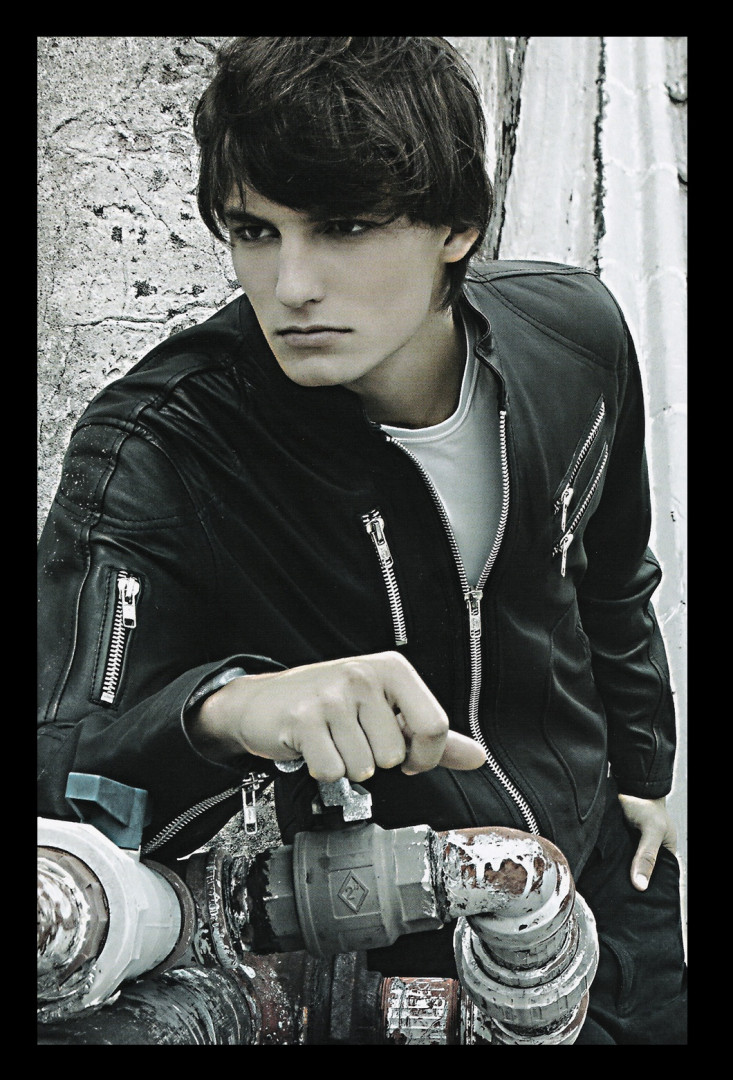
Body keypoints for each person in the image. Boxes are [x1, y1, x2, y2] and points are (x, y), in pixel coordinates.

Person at [37, 36, 687, 1043]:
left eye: (343, 227)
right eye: (255, 231)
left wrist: (643, 774)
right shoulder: (164, 444)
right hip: (394, 939)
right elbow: (64, 752)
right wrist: (228, 709)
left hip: (607, 875)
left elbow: (609, 574)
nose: (291, 284)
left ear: (458, 226)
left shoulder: (574, 336)